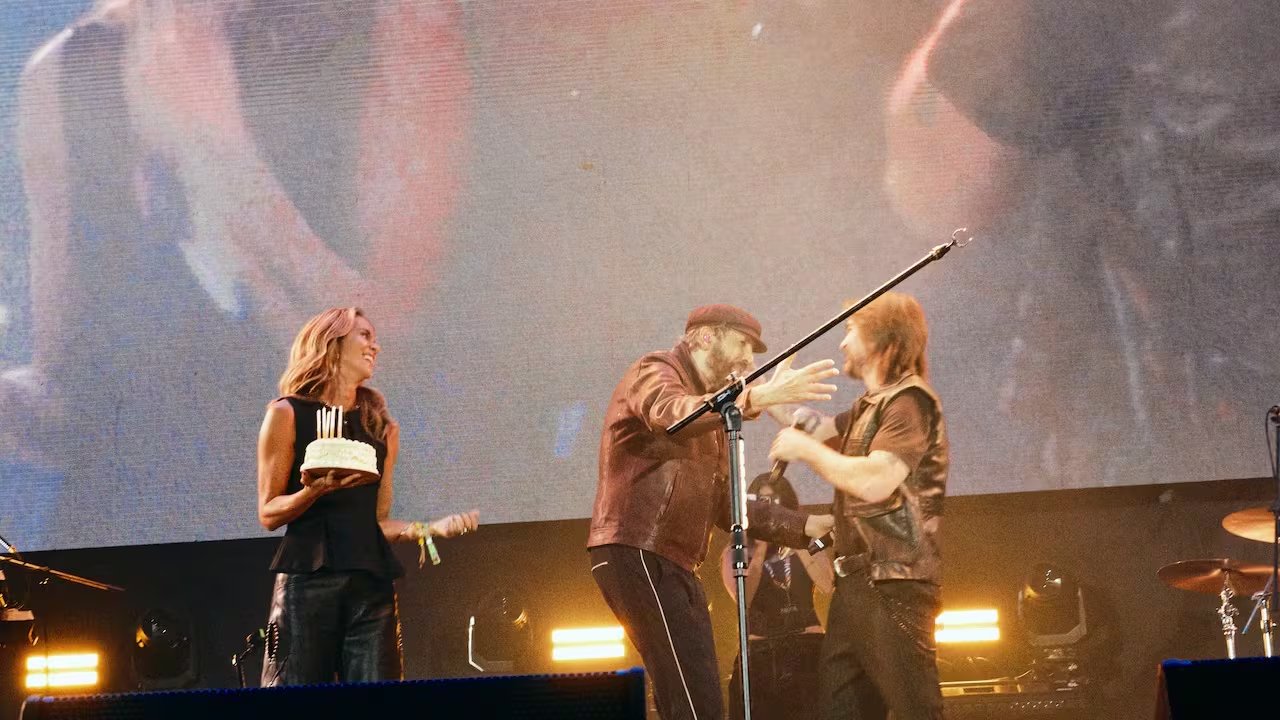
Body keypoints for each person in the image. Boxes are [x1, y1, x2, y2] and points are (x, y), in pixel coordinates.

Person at [588, 303, 839, 720]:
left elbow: (726, 504)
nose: (748, 360)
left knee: (697, 695)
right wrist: (758, 397)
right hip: (637, 548)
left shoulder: (717, 418)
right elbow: (671, 415)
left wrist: (804, 525)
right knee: (691, 699)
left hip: (673, 560)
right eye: (742, 344)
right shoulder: (655, 370)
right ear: (706, 337)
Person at [256, 307, 478, 685]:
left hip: (370, 588)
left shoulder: (381, 427)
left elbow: (376, 523)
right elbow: (268, 512)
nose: (375, 346)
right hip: (308, 584)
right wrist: (312, 491)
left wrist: (428, 529)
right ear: (332, 343)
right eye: (365, 335)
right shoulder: (287, 413)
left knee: (379, 700)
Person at [769, 292, 948, 720]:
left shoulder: (909, 403)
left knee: (917, 710)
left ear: (882, 339)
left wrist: (805, 451)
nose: (843, 342)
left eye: (851, 330)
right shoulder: (870, 407)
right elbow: (815, 430)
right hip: (856, 586)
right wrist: (773, 397)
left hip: (893, 582)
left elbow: (876, 481)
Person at [719, 472, 834, 720]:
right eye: (762, 502)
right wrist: (760, 548)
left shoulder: (808, 542)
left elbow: (828, 584)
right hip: (760, 653)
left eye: (774, 501)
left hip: (807, 647)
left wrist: (796, 536)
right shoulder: (737, 548)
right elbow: (743, 598)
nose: (769, 507)